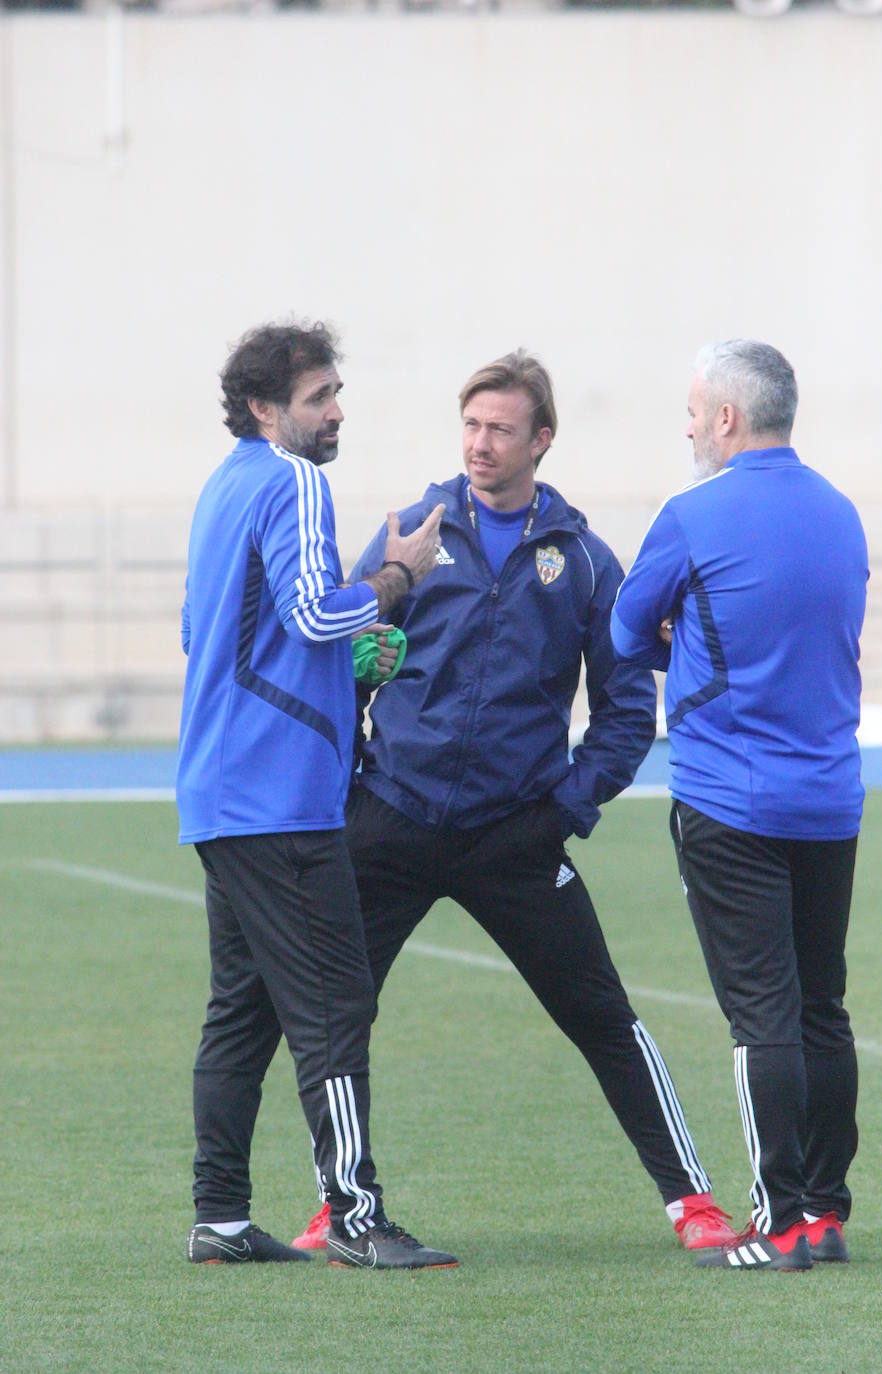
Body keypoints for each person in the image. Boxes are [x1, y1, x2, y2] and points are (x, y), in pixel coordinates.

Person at [293, 349, 736, 1256]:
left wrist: (567, 807)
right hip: (392, 820)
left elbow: (623, 710)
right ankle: (342, 1209)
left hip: (516, 836)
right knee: (338, 1017)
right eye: (470, 426)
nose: (479, 444)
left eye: (499, 429)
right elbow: (337, 661)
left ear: (541, 439)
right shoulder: (411, 531)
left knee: (605, 1018)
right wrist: (348, 787)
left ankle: (692, 1200)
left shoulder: (579, 560)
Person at [177, 319, 458, 1271]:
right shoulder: (293, 480)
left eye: (337, 394)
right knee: (336, 1006)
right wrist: (392, 579)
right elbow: (309, 610)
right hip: (280, 797)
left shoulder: (221, 490)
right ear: (265, 409)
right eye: (317, 397)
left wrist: (347, 660)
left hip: (222, 792)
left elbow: (210, 632)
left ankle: (218, 1218)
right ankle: (356, 1216)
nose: (335, 413)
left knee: (243, 1010)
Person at [611, 339, 867, 1272]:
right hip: (831, 799)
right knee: (821, 1008)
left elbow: (625, 629)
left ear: (727, 418)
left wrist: (680, 631)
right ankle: (826, 1214)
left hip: (732, 802)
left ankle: (781, 1219)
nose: (686, 424)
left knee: (763, 1015)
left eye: (692, 409)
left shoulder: (694, 514)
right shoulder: (842, 513)